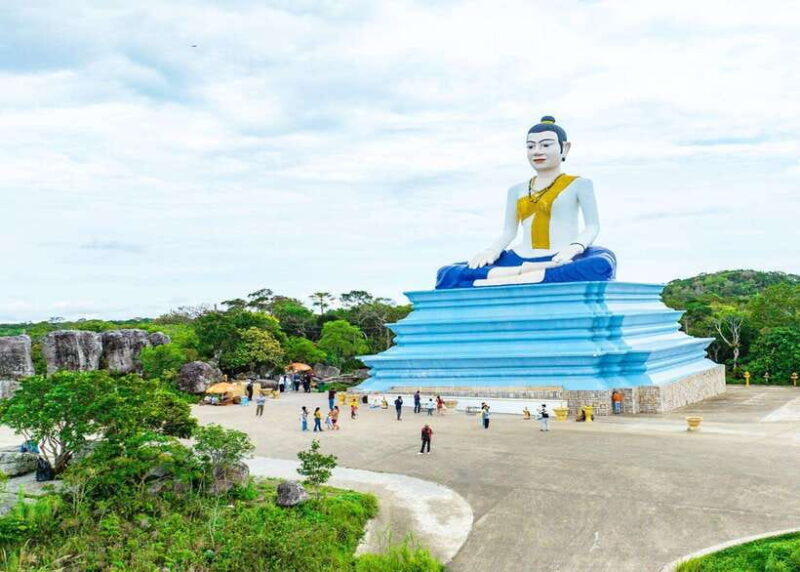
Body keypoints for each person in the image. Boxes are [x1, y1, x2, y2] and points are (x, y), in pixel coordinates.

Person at [436, 116, 616, 289]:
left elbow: (592, 226)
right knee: (447, 273)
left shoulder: (579, 184)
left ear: (565, 148)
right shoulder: (516, 190)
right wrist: (491, 251)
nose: (537, 151)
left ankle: (500, 280)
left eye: (546, 145)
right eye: (531, 146)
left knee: (600, 264)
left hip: (562, 257)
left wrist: (575, 248)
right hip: (521, 258)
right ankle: (534, 274)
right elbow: (509, 232)